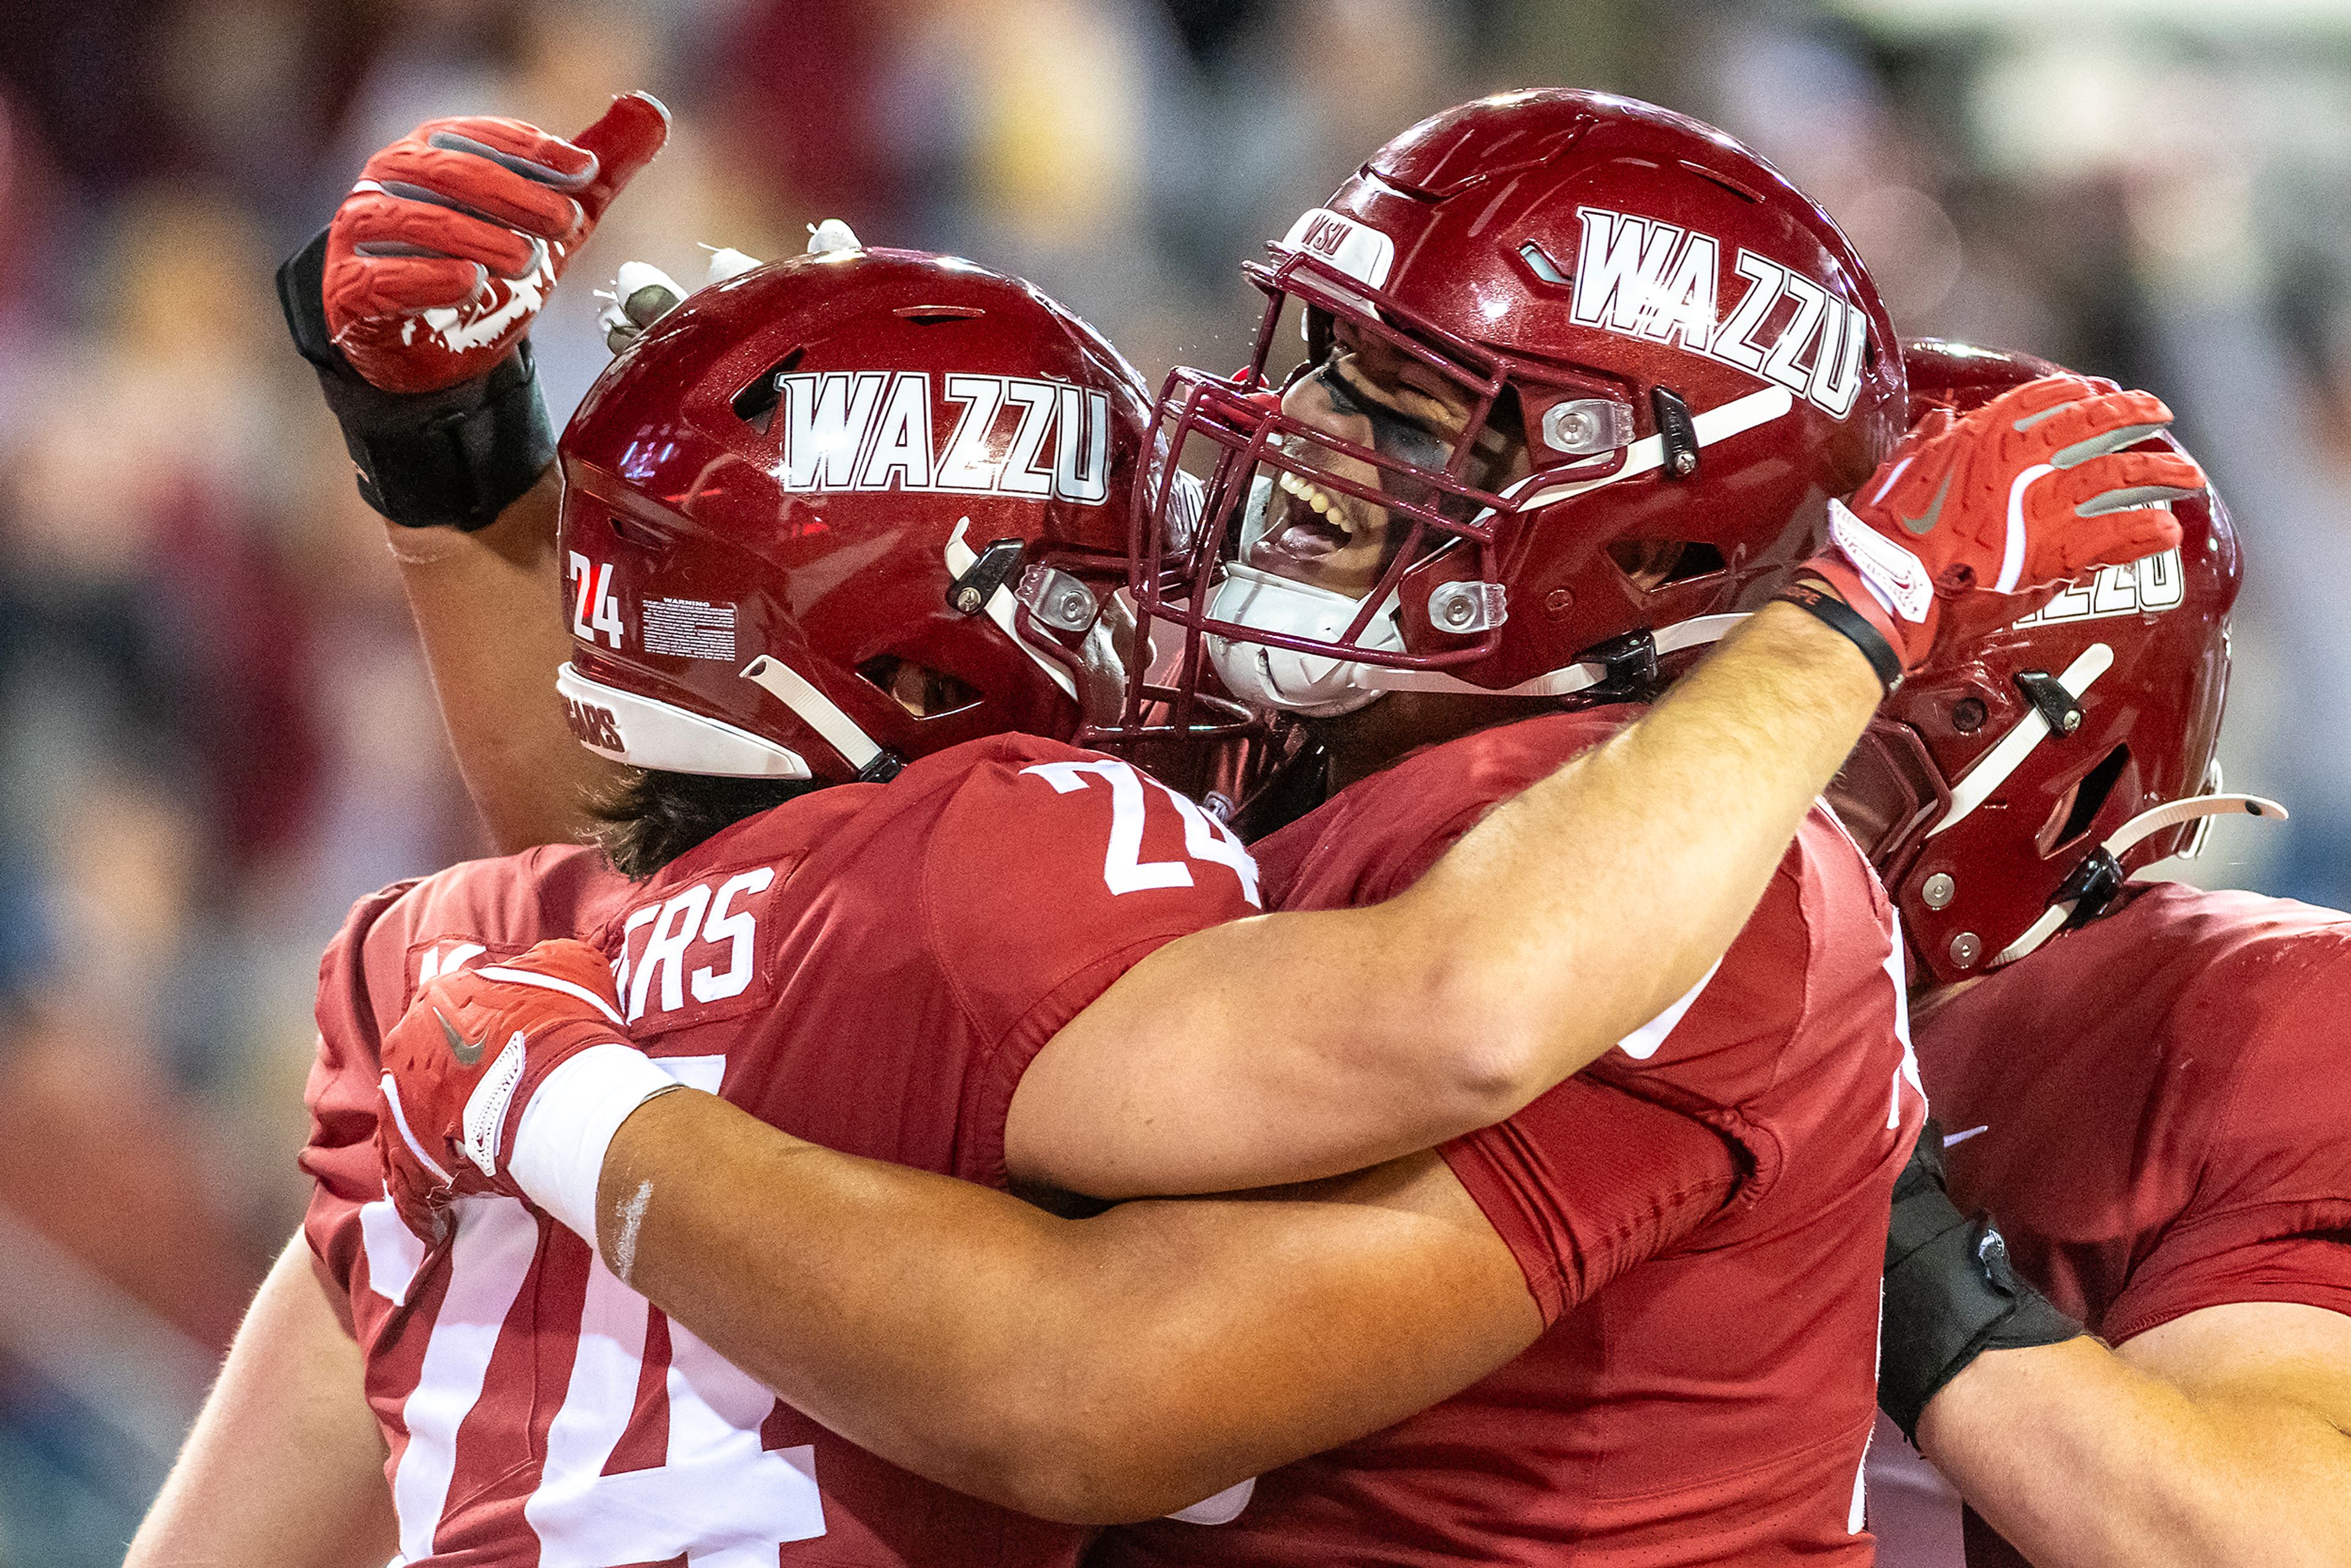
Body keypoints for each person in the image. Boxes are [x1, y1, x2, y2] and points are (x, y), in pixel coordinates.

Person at [362, 94, 2182, 1568]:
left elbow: (1081, 1394)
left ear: (1661, 548)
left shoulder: (1699, 883)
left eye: (1417, 416)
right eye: (1325, 361)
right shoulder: (1283, 750)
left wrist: (564, 1105)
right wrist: (458, 477)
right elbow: (739, 905)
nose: (1301, 442)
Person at [1848, 342, 2351, 1567]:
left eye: (1776, 655)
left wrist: (1879, 1229)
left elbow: (2266, 1544)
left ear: (1984, 725)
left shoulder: (2249, 1023)